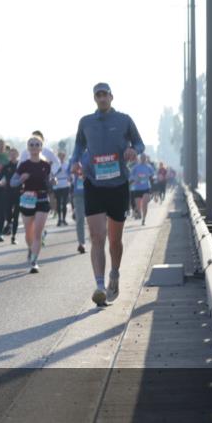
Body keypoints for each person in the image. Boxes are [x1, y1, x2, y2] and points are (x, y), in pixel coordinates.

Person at [71, 82, 144, 307]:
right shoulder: (86, 122)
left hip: (118, 184)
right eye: (98, 95)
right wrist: (74, 162)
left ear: (111, 97)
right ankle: (100, 286)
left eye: (105, 95)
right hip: (93, 183)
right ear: (94, 98)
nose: (102, 98)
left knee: (115, 240)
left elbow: (140, 143)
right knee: (97, 237)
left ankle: (114, 273)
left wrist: (134, 150)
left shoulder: (124, 120)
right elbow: (78, 147)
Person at [12, 136, 53, 272]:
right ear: (28, 148)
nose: (34, 147)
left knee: (37, 233)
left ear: (41, 147)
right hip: (27, 199)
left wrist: (53, 181)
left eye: (37, 144)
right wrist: (21, 179)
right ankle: (31, 249)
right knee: (28, 232)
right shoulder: (24, 165)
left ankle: (34, 261)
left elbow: (48, 181)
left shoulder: (46, 165)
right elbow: (13, 182)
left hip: (42, 198)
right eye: (32, 144)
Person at [0, 147, 21, 244]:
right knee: (6, 214)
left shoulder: (21, 166)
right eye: (11, 153)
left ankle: (13, 237)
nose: (13, 155)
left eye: (15, 153)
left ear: (18, 154)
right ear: (9, 155)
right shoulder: (6, 166)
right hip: (7, 193)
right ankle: (2, 232)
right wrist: (0, 182)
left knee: (16, 215)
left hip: (19, 193)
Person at [130, 154, 155, 226]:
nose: (143, 159)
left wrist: (151, 176)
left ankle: (144, 219)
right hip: (137, 188)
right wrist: (135, 178)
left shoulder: (149, 167)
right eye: (142, 158)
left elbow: (153, 174)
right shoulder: (136, 167)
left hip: (146, 188)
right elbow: (130, 175)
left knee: (145, 204)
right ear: (140, 159)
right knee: (138, 206)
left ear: (146, 159)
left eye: (144, 158)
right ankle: (139, 213)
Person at [70, 161, 87, 254]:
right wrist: (73, 169)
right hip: (79, 193)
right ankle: (82, 243)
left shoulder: (95, 150)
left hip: (94, 192)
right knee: (80, 218)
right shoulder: (75, 157)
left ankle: (97, 242)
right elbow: (69, 170)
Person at [53, 150, 72, 226]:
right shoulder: (55, 165)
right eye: (60, 156)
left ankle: (63, 219)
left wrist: (70, 178)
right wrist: (58, 171)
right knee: (58, 202)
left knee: (64, 203)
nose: (61, 158)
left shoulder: (67, 164)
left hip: (65, 184)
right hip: (57, 184)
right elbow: (52, 174)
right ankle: (59, 219)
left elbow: (69, 174)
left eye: (63, 156)